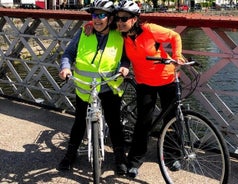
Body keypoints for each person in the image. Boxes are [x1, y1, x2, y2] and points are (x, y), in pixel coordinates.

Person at [115, 0, 187, 178]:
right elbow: (99, 23)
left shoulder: (149, 29)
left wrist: (177, 56)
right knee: (143, 122)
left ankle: (171, 156)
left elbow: (174, 36)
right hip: (144, 83)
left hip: (167, 79)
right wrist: (89, 24)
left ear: (134, 19)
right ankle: (135, 160)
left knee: (171, 119)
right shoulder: (120, 34)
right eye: (117, 18)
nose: (120, 22)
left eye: (124, 18)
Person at [57, 0, 130, 175]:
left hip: (109, 86)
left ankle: (120, 156)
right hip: (85, 87)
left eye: (102, 15)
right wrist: (65, 67)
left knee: (114, 122)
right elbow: (68, 53)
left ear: (111, 18)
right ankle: (70, 153)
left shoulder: (120, 34)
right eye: (94, 15)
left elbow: (127, 56)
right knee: (79, 121)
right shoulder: (84, 32)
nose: (97, 19)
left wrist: (125, 66)